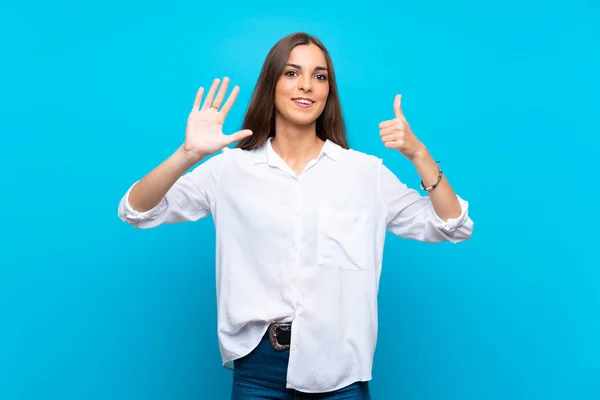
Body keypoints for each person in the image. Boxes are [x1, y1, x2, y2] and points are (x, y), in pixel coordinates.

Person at [117, 32, 473, 399]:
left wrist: (419, 155)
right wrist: (188, 154)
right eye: (291, 73)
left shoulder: (365, 173)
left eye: (320, 76)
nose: (306, 85)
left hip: (340, 373)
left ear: (328, 92)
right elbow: (137, 211)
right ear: (271, 83)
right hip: (257, 369)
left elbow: (452, 225)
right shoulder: (229, 170)